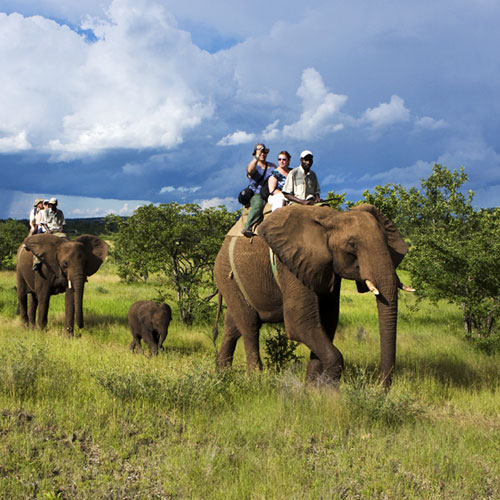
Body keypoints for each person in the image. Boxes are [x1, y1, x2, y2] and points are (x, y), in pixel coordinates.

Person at [241, 143, 276, 237]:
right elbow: (250, 170)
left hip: (271, 192)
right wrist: (257, 156)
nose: (262, 154)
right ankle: (247, 227)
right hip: (257, 194)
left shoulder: (272, 165)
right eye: (260, 151)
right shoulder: (254, 166)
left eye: (264, 152)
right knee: (258, 204)